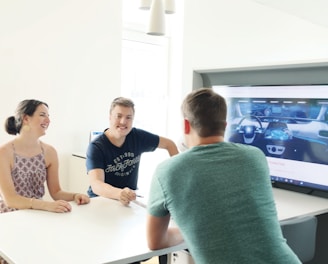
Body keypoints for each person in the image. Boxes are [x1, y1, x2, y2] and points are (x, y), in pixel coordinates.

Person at [146, 88, 301, 263]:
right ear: (225, 126)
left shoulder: (167, 171)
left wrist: (188, 229)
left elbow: (156, 242)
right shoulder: (256, 157)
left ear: (186, 125)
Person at [0, 99, 90, 214]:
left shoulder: (50, 152)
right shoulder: (4, 153)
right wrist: (46, 205)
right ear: (26, 118)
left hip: (38, 213)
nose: (48, 120)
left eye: (48, 116)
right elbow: (10, 199)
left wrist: (75, 195)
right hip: (9, 216)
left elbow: (56, 192)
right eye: (42, 115)